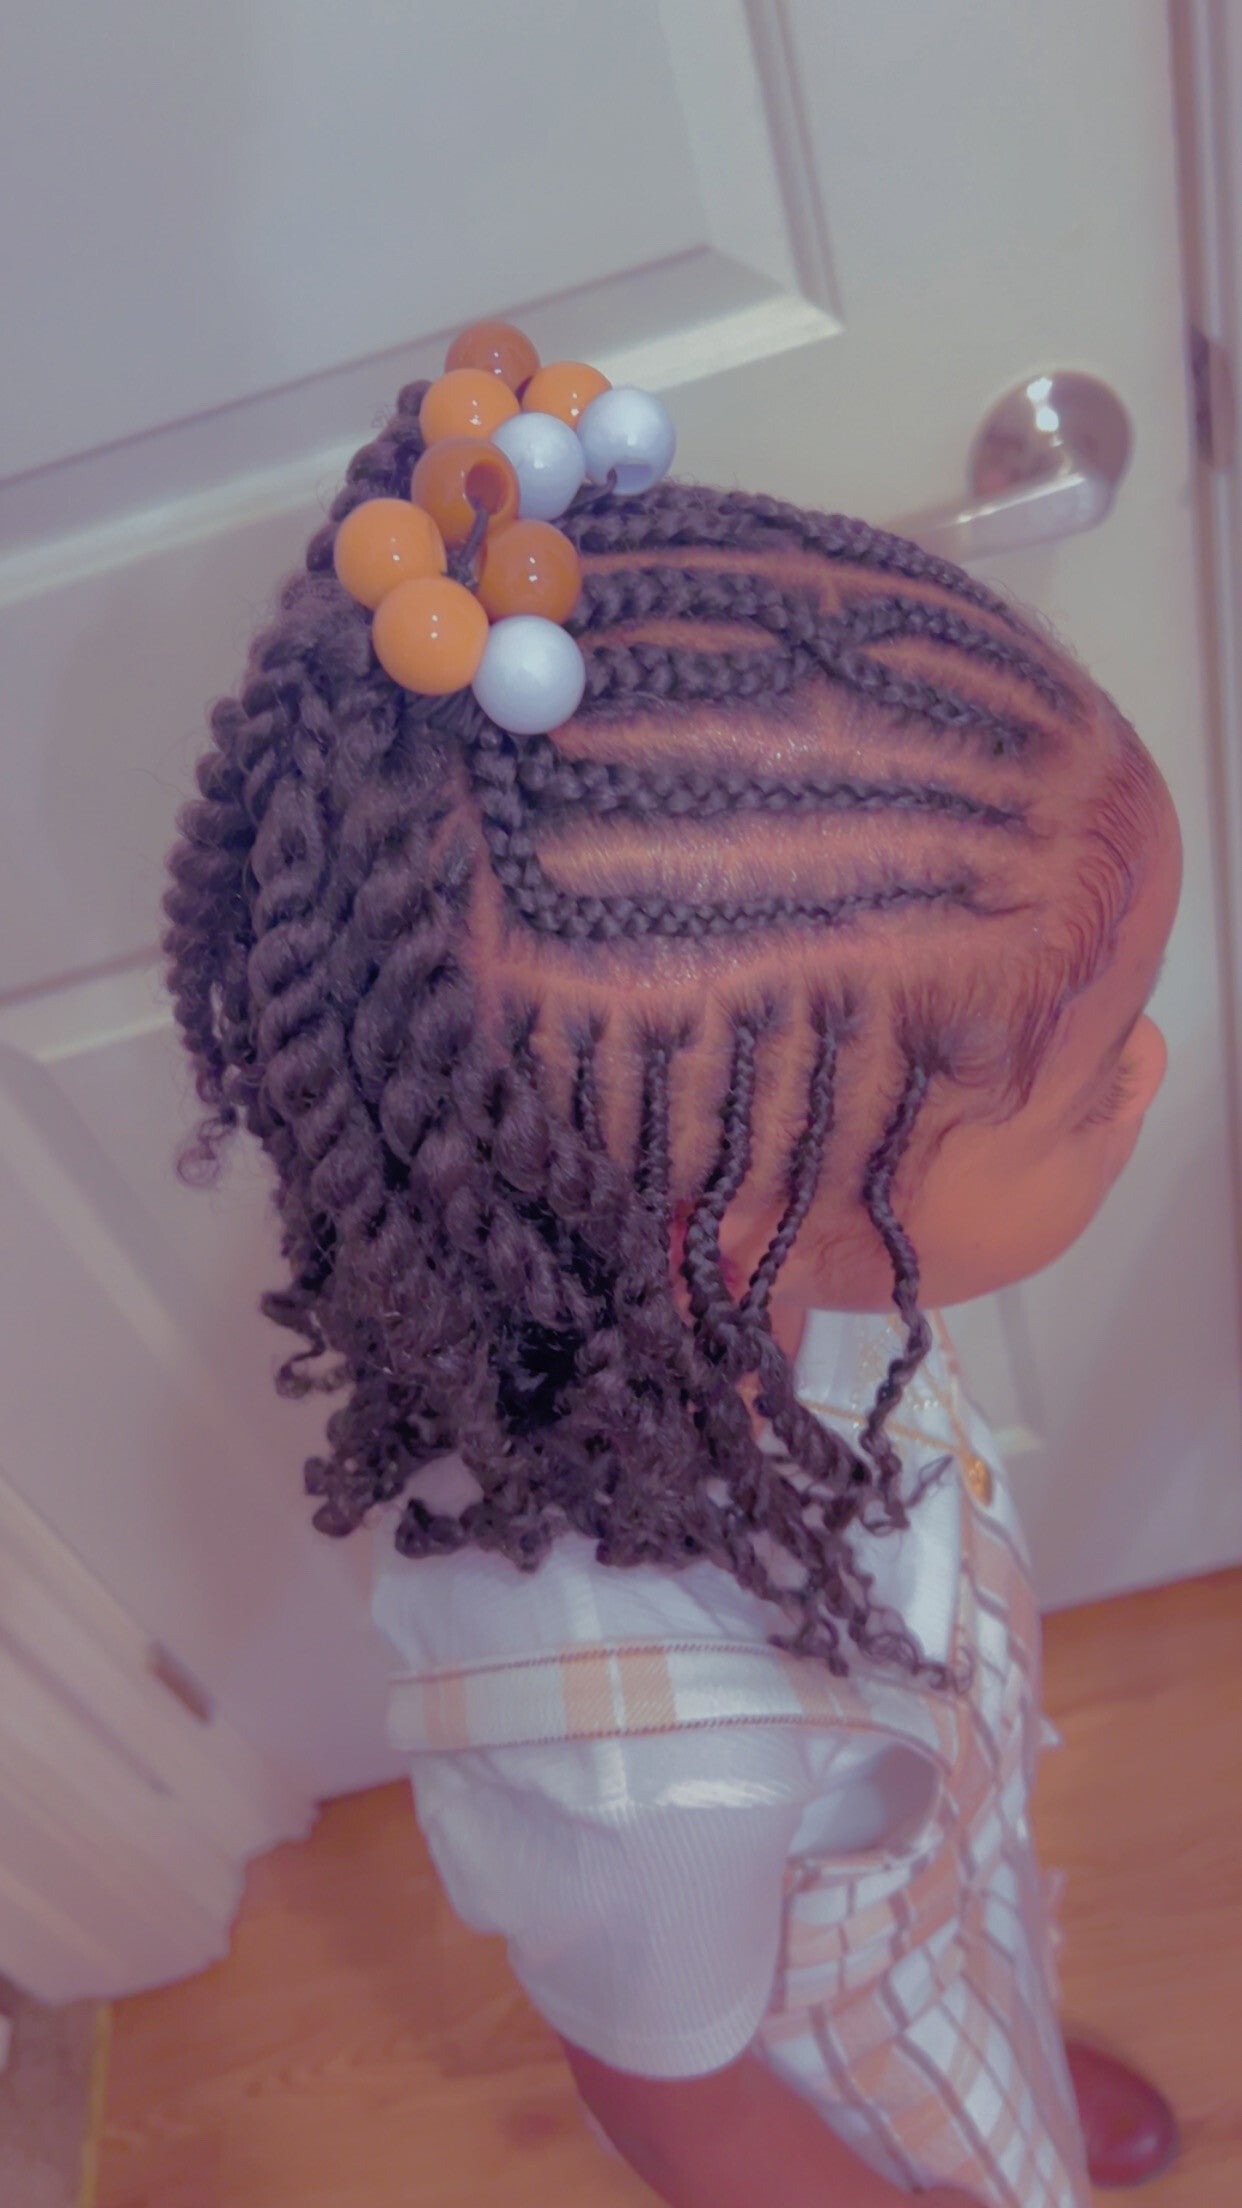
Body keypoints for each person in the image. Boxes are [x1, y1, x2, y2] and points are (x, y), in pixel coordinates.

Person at [165, 320, 1181, 2205]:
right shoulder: (641, 1761)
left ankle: (1006, 2011)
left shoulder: (770, 1271)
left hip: (929, 1888)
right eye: (1085, 1083)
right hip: (845, 2099)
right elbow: (684, 2114)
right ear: (729, 1211)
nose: (1152, 1074)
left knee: (978, 1931)